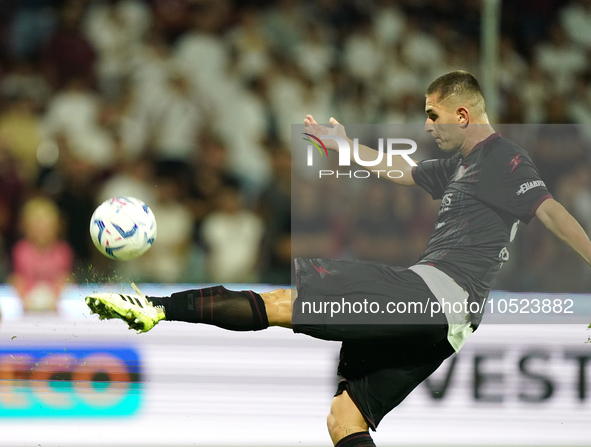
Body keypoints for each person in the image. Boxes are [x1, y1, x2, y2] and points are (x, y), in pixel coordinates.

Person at [86, 71, 591, 447]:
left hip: (434, 296)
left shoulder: (504, 157)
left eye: (432, 114)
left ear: (462, 114)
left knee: (284, 302)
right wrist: (348, 148)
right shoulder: (465, 166)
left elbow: (552, 214)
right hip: (449, 318)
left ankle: (157, 308)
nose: (427, 124)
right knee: (345, 419)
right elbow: (405, 169)